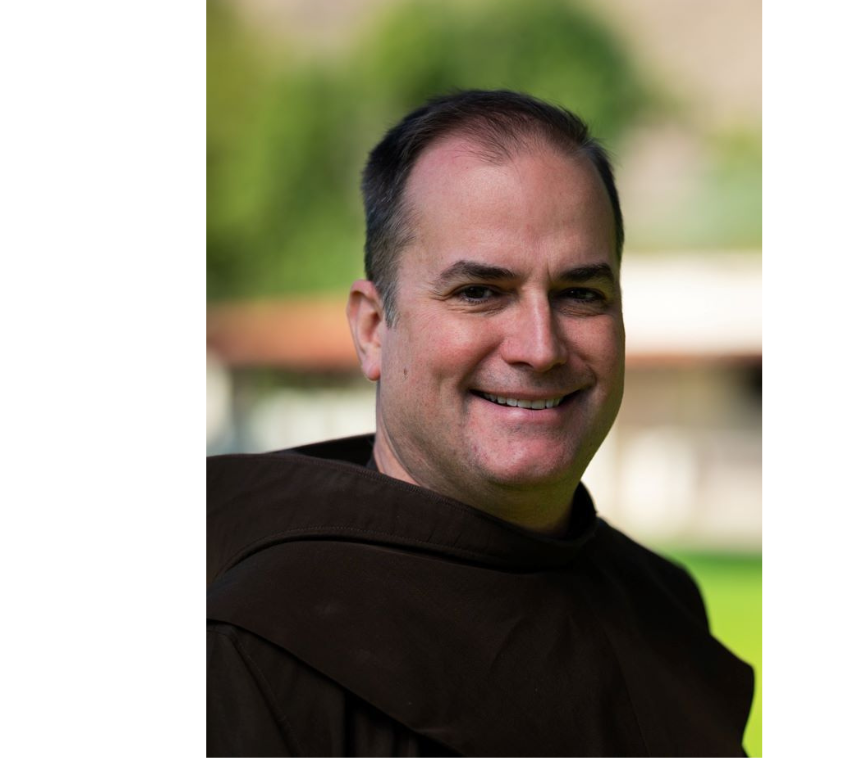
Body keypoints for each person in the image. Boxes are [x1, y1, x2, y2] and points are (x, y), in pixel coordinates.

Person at [207, 90, 754, 757]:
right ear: (374, 330)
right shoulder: (248, 644)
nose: (540, 346)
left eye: (580, 294)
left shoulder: (666, 611)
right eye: (479, 293)